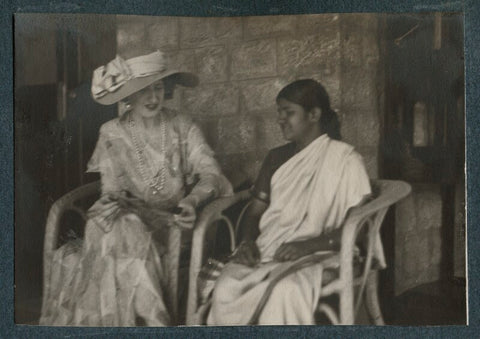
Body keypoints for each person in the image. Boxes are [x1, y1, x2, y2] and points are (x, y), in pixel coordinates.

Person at [40, 48, 232, 326]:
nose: (153, 97)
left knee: (118, 233)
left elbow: (211, 174)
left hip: (170, 223)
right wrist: (117, 204)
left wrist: (191, 201)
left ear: (166, 90)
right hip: (124, 221)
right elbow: (111, 193)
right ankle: (152, 323)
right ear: (129, 96)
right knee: (116, 226)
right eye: (144, 90)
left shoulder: (182, 126)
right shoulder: (111, 132)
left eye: (157, 88)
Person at [207, 79, 381, 325]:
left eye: (289, 113)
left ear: (314, 114)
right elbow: (255, 212)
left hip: (323, 253)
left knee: (284, 292)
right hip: (269, 250)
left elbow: (360, 225)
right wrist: (246, 242)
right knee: (226, 287)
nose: (280, 119)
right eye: (279, 112)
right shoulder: (276, 158)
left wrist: (308, 245)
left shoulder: (346, 159)